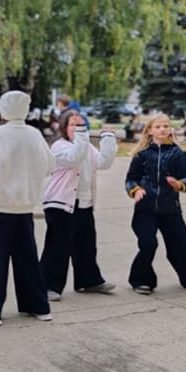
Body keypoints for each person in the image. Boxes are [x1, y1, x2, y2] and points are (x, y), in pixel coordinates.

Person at [0, 90, 55, 325]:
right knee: (28, 260)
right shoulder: (34, 134)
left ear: (3, 109)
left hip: (1, 206)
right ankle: (38, 306)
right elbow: (49, 165)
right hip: (25, 206)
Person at [40, 110, 117, 301]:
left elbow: (103, 163)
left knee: (86, 245)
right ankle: (47, 285)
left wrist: (108, 138)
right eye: (73, 125)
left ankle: (89, 281)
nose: (78, 128)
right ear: (64, 128)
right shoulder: (59, 146)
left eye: (81, 125)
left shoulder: (87, 146)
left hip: (84, 202)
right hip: (60, 203)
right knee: (58, 247)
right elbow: (75, 157)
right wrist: (82, 135)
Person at [125, 113, 186, 295]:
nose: (162, 129)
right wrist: (135, 190)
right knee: (148, 244)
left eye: (165, 126)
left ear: (170, 130)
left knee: (183, 242)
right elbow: (131, 179)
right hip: (145, 209)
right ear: (149, 131)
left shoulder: (178, 154)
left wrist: (180, 185)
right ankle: (141, 280)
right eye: (158, 127)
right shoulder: (141, 155)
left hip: (170, 210)